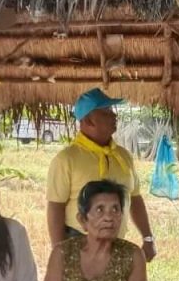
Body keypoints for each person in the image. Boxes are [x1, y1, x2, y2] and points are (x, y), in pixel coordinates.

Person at [46, 88, 156, 261]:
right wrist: (60, 255)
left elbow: (135, 198)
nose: (114, 116)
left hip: (116, 244)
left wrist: (148, 237)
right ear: (89, 120)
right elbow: (55, 207)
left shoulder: (123, 156)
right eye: (107, 111)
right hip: (79, 244)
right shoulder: (66, 159)